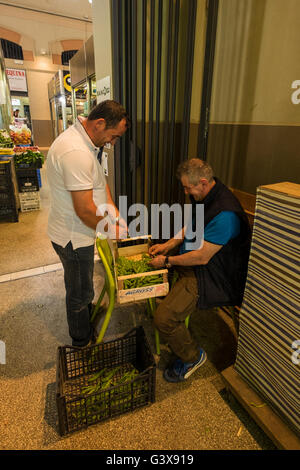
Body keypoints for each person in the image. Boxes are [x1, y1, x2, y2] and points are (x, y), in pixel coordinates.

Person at [149, 158, 251, 383]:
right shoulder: (207, 196)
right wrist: (168, 245)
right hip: (197, 265)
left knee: (163, 319)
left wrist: (168, 260)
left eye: (188, 187)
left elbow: (202, 257)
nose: (186, 192)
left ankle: (192, 357)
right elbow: (192, 225)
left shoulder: (226, 214)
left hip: (212, 276)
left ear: (203, 182)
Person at [46, 100, 130, 347]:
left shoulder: (87, 142)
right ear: (100, 123)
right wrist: (112, 229)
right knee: (79, 292)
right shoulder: (76, 152)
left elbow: (97, 181)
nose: (112, 143)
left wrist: (112, 209)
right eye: (113, 137)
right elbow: (84, 209)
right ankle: (81, 339)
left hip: (78, 230)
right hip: (73, 237)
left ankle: (85, 310)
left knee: (82, 286)